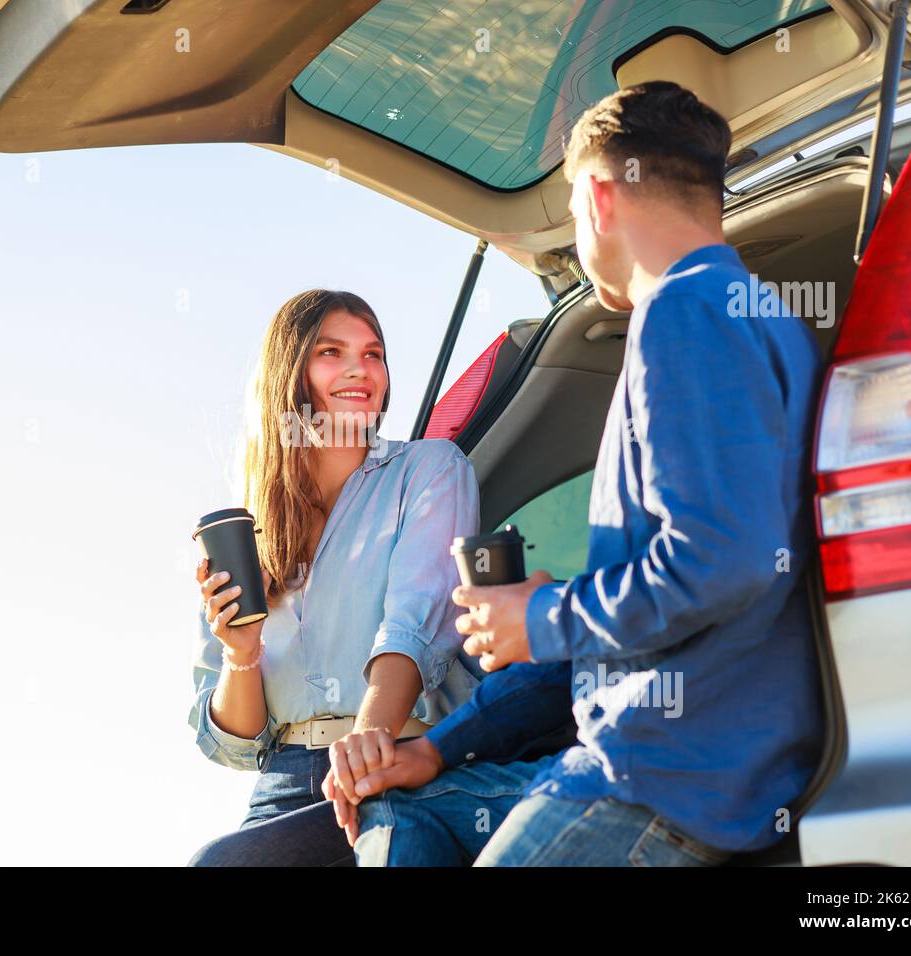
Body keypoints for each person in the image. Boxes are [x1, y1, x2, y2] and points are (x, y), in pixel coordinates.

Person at [326, 81, 826, 866]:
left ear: (598, 196)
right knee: (410, 808)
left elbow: (719, 559)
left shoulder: (683, 312)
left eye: (567, 200)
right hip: (705, 775)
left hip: (657, 778)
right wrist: (449, 736)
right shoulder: (763, 316)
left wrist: (545, 616)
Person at [186, 289, 483, 865]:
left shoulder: (428, 470)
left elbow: (414, 623)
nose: (360, 369)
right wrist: (240, 652)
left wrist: (369, 737)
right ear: (290, 374)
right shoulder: (247, 535)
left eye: (374, 354)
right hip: (285, 780)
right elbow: (237, 742)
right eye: (332, 351)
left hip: (402, 754)